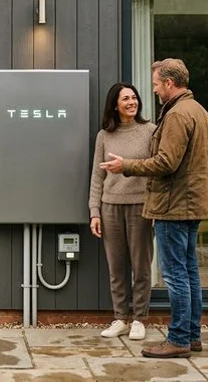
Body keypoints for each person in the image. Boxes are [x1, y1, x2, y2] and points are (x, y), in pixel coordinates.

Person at [100, 58, 208, 359]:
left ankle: (178, 339)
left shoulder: (177, 115)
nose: (154, 91)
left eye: (156, 85)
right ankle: (192, 336)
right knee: (189, 272)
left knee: (176, 275)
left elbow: (166, 163)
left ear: (169, 83)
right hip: (191, 204)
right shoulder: (199, 111)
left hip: (173, 206)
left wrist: (126, 166)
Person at [89, 83, 155, 341]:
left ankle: (139, 319)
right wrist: (95, 211)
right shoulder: (104, 136)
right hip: (110, 207)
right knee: (116, 267)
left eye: (134, 97)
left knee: (141, 267)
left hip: (141, 207)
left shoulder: (150, 131)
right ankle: (120, 318)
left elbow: (156, 167)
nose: (131, 102)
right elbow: (97, 176)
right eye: (125, 98)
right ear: (115, 105)